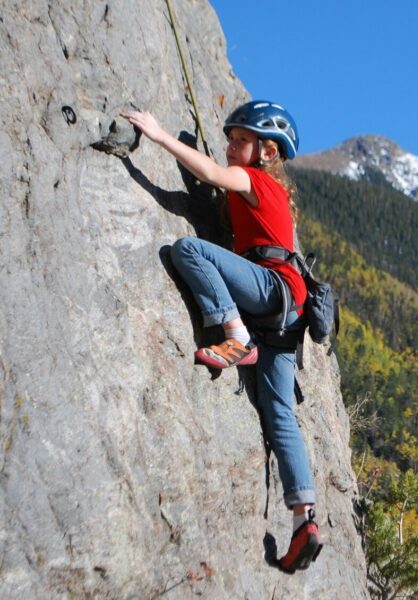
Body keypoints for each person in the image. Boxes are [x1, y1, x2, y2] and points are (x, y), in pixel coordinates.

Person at [121, 100, 322, 573]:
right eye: (231, 138)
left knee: (189, 250)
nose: (231, 145)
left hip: (271, 291)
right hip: (286, 311)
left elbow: (210, 173)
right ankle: (303, 520)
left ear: (267, 151)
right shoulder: (266, 190)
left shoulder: (255, 180)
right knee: (279, 414)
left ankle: (236, 337)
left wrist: (157, 136)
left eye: (241, 140)